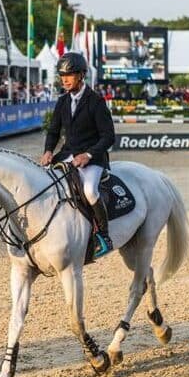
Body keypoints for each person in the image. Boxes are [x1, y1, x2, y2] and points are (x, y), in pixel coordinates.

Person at [39, 52, 116, 262]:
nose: (64, 80)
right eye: (62, 75)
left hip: (93, 158)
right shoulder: (62, 101)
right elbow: (53, 131)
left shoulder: (96, 101)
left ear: (81, 75)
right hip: (67, 155)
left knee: (89, 191)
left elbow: (109, 136)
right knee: (45, 182)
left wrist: (89, 154)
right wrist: (48, 150)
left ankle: (103, 235)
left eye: (69, 75)